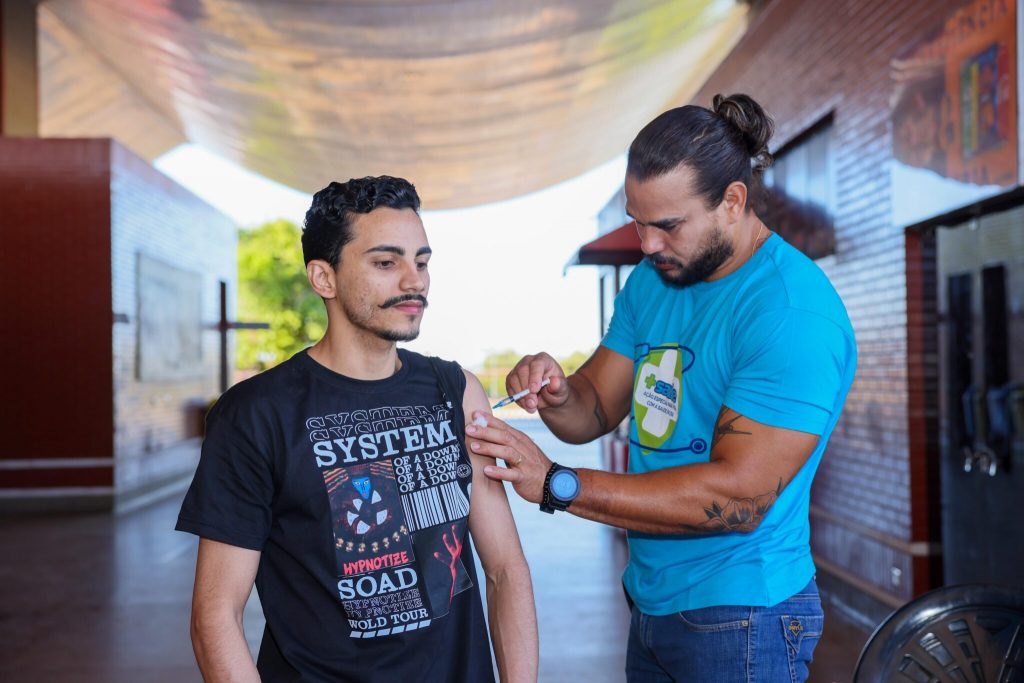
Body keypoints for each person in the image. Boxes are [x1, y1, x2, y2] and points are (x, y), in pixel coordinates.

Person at [466, 94, 857, 682]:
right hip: (651, 598)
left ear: (732, 201)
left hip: (744, 612)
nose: (647, 245)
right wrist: (556, 394)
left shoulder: (789, 310)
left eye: (667, 225)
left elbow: (737, 498)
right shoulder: (656, 281)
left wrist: (557, 483)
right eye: (637, 222)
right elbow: (593, 407)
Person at [176, 176, 538, 682]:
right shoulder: (256, 414)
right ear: (324, 278)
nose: (415, 281)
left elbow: (504, 569)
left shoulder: (454, 389)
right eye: (386, 263)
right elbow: (215, 615)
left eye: (422, 261)